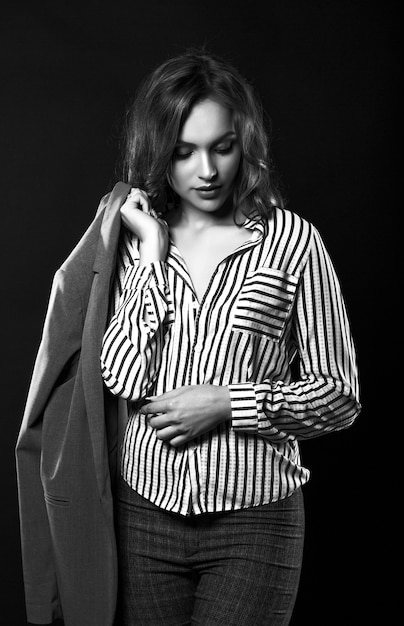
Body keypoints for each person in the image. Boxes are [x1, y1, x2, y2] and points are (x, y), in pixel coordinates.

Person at [16, 49, 361, 626]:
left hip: (256, 519)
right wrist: (152, 254)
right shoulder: (131, 241)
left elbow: (340, 395)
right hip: (142, 516)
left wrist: (230, 404)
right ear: (160, 152)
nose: (207, 170)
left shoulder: (294, 243)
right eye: (184, 152)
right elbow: (122, 378)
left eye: (222, 147)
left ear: (243, 144)